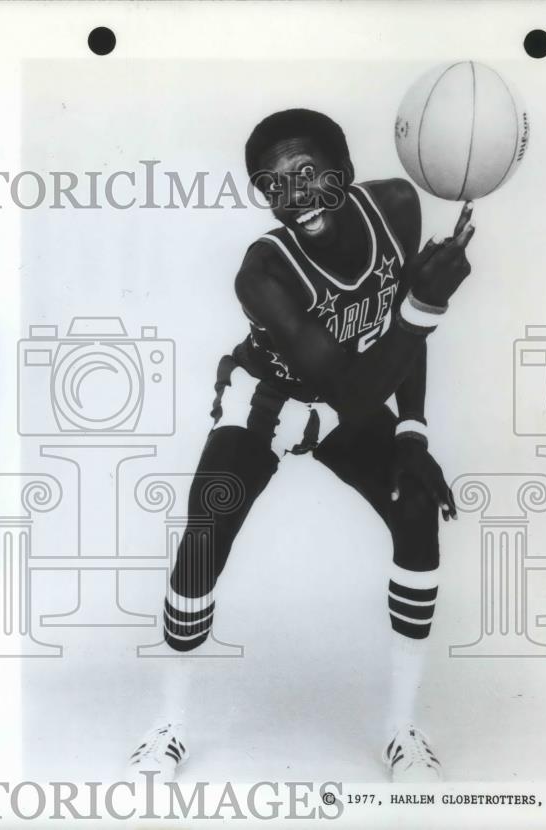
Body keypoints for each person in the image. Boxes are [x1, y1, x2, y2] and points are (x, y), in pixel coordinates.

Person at [127, 109, 474, 782]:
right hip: (273, 401)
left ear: (343, 171)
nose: (294, 198)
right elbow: (347, 383)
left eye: (308, 174)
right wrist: (423, 309)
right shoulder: (261, 272)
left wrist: (413, 431)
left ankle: (402, 731)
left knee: (415, 509)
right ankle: (167, 725)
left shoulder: (396, 207)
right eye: (272, 185)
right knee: (204, 536)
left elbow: (397, 349)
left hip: (356, 393)